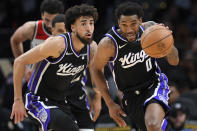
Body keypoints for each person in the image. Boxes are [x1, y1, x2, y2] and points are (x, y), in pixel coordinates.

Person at [10, 4, 99, 131]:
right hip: (38, 100)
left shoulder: (92, 48)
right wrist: (17, 100)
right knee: (68, 127)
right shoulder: (56, 44)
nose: (89, 28)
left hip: (66, 100)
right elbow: (19, 61)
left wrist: (97, 97)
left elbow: (96, 71)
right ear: (72, 27)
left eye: (91, 23)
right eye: (84, 24)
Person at [91, 2, 179, 131]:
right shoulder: (108, 44)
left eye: (133, 24)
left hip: (154, 85)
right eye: (124, 25)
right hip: (130, 96)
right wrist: (110, 103)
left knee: (153, 125)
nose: (129, 29)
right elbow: (96, 69)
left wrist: (167, 42)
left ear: (140, 21)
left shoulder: (151, 29)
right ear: (118, 23)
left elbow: (174, 61)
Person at [52, 13, 101, 131]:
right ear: (52, 31)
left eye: (65, 30)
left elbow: (95, 71)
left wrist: (97, 96)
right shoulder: (51, 48)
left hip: (77, 97)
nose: (63, 34)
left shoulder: (87, 47)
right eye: (59, 31)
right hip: (54, 99)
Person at [10, 0, 64, 82]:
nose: (50, 25)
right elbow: (14, 40)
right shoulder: (32, 28)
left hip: (58, 80)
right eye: (47, 20)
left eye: (53, 21)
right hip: (34, 78)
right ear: (42, 15)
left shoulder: (68, 31)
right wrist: (24, 68)